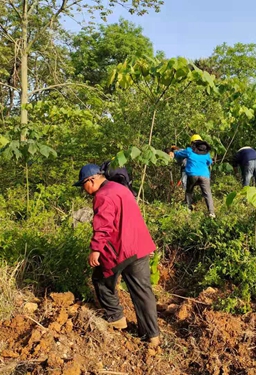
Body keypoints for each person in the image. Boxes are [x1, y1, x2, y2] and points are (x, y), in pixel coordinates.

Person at [74, 164, 160, 346]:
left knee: (100, 280)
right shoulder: (121, 188)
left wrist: (95, 249)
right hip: (139, 246)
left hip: (120, 250)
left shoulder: (102, 195)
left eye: (84, 185)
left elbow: (103, 225)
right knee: (142, 292)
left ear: (92, 180)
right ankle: (152, 336)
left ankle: (116, 317)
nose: (84, 190)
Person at [170, 134, 215, 217]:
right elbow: (209, 162)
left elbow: (178, 154)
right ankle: (211, 213)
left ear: (193, 143)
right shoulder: (206, 153)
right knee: (207, 194)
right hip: (204, 175)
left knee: (189, 191)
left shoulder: (189, 150)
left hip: (192, 174)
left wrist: (173, 151)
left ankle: (188, 209)